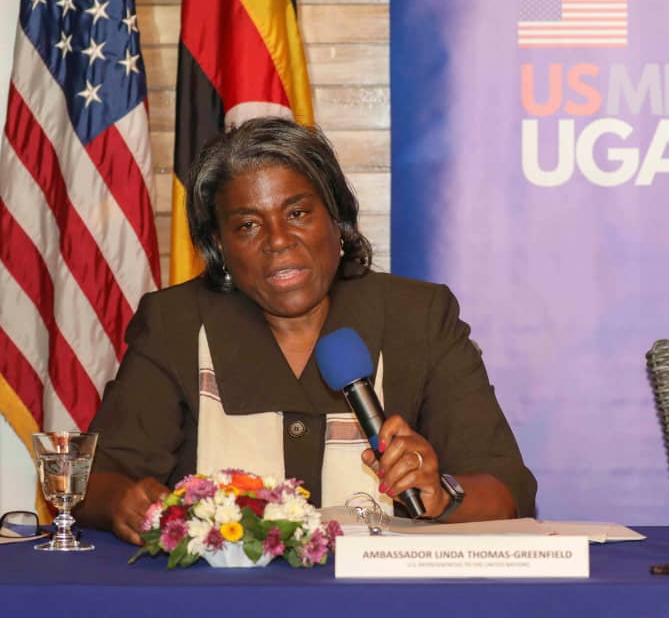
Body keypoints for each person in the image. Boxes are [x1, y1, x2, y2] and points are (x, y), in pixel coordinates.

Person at [79, 117, 536, 544]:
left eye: (297, 213)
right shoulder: (176, 323)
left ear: (336, 220)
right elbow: (93, 481)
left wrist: (442, 494)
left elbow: (507, 490)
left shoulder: (418, 317)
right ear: (219, 246)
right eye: (248, 225)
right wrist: (122, 502)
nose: (278, 240)